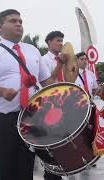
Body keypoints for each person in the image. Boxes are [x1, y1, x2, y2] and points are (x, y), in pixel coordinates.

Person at [0, 9, 66, 180]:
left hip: (31, 119)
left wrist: (65, 95)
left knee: (25, 169)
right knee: (4, 170)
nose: (18, 24)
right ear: (0, 27)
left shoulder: (32, 51)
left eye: (20, 22)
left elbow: (47, 82)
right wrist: (1, 91)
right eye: (13, 21)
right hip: (3, 121)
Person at [41, 30, 65, 180]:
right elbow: (48, 82)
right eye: (58, 40)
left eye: (62, 41)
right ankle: (50, 175)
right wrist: (60, 63)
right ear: (49, 42)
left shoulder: (65, 60)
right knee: (51, 146)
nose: (61, 44)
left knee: (62, 143)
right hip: (50, 106)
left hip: (64, 104)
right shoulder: (44, 60)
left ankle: (60, 172)